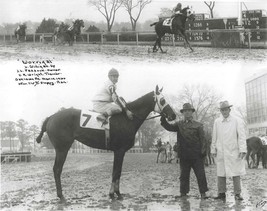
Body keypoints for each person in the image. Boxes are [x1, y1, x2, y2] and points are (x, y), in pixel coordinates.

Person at [160, 103, 208, 199]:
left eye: (189, 111)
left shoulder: (198, 125)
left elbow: (203, 140)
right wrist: (163, 120)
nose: (187, 112)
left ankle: (203, 193)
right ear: (183, 113)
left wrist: (203, 153)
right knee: (184, 175)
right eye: (185, 111)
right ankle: (183, 193)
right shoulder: (179, 124)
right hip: (184, 155)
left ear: (192, 112)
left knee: (200, 174)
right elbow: (169, 127)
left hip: (196, 155)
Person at [211, 101, 246, 201]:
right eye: (222, 110)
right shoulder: (217, 121)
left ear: (229, 110)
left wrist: (242, 149)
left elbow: (242, 136)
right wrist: (213, 148)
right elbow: (214, 136)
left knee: (236, 172)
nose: (224, 111)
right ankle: (221, 193)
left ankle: (237, 193)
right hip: (221, 150)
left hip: (233, 150)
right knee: (221, 172)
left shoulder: (236, 120)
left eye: (226, 109)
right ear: (220, 111)